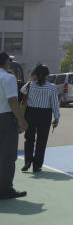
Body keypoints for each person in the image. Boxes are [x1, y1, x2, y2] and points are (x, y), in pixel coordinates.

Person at [21, 64, 60, 173]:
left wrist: (31, 79)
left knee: (29, 139)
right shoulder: (52, 87)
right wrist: (56, 117)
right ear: (47, 75)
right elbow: (54, 104)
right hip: (45, 114)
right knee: (41, 141)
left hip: (31, 113)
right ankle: (37, 165)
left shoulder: (29, 85)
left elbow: (22, 91)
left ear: (35, 74)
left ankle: (27, 161)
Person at [0, 52, 28, 199]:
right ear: (6, 62)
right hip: (5, 119)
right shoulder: (8, 77)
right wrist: (21, 120)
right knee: (8, 155)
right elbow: (12, 101)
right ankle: (5, 189)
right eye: (9, 61)